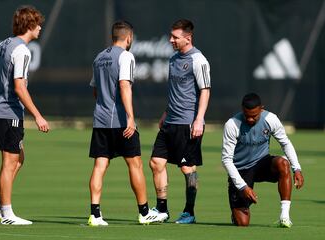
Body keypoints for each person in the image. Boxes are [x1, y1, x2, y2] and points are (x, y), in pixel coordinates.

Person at [87, 20, 162, 226]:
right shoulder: (126, 56)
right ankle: (144, 213)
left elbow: (95, 91)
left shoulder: (99, 57)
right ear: (129, 37)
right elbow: (124, 86)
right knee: (135, 164)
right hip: (120, 121)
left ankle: (95, 214)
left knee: (100, 165)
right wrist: (130, 117)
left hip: (100, 120)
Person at [0, 5, 49, 225]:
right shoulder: (22, 50)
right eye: (38, 23)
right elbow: (19, 87)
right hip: (9, 113)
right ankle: (7, 214)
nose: (41, 27)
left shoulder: (3, 45)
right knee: (9, 161)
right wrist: (38, 116)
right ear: (30, 25)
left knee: (18, 159)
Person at [149, 19, 211, 224]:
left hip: (188, 124)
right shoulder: (173, 59)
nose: (171, 40)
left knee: (187, 169)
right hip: (170, 122)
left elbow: (205, 90)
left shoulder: (199, 60)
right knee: (156, 163)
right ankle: (162, 209)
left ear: (188, 38)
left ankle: (189, 212)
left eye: (175, 37)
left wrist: (199, 119)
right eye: (171, 36)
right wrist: (166, 113)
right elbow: (175, 91)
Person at [221, 93, 304, 227]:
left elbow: (285, 143)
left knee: (283, 163)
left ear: (261, 109)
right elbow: (226, 160)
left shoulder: (271, 119)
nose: (250, 119)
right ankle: (236, 211)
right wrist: (243, 187)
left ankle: (284, 216)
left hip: (262, 164)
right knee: (242, 223)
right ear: (242, 109)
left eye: (254, 116)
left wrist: (297, 169)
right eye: (247, 115)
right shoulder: (232, 125)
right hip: (241, 170)